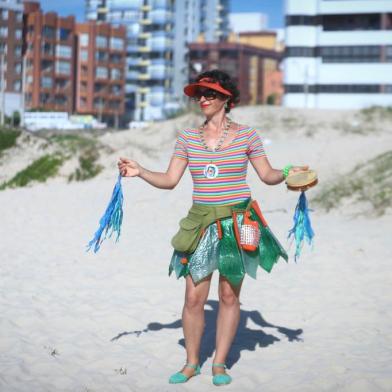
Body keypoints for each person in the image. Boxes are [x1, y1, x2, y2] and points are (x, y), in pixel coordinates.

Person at [118, 69, 308, 386]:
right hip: (201, 224)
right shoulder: (187, 138)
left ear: (226, 98)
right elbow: (169, 180)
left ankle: (219, 364)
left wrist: (288, 171)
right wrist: (140, 172)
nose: (203, 99)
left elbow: (267, 175)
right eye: (199, 95)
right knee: (194, 298)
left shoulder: (248, 136)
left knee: (229, 297)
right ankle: (192, 362)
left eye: (210, 93)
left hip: (237, 222)